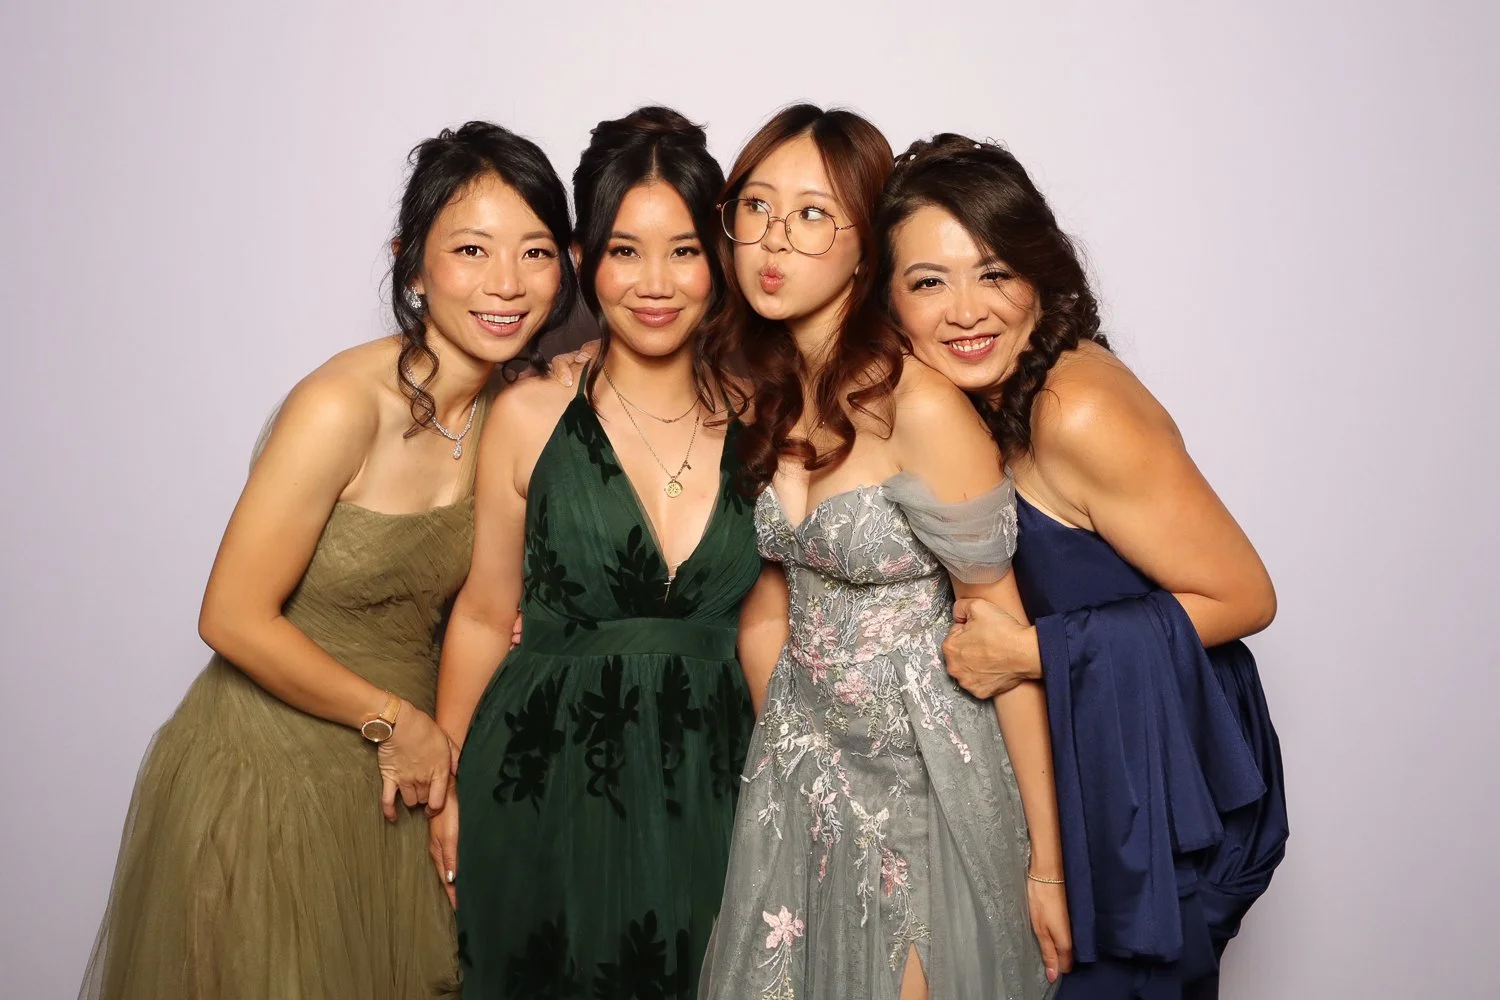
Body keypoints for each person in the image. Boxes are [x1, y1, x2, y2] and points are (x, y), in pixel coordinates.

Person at [79, 121, 576, 1000]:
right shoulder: (341, 404)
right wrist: (395, 720)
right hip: (267, 775)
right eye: (471, 249)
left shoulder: (516, 414)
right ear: (412, 265)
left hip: (394, 789)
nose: (507, 283)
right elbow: (229, 615)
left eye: (535, 252)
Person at [876, 134, 1288, 999]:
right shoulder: (971, 407)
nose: (965, 310)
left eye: (993, 272)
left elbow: (1245, 596)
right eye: (927, 282)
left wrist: (1030, 653)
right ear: (890, 304)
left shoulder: (1075, 407)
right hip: (1084, 767)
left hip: (1158, 777)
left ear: (1039, 273)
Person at [699, 105, 1065, 1000]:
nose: (774, 238)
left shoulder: (923, 406)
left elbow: (1004, 635)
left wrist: (1047, 866)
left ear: (868, 250)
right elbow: (770, 608)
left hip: (923, 780)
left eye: (814, 213)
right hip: (801, 769)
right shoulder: (768, 389)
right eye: (754, 205)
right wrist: (787, 752)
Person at [433, 107, 758, 998]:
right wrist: (452, 784)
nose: (655, 282)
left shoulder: (763, 413)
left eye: (684, 250)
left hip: (718, 774)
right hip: (544, 781)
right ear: (584, 260)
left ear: (718, 262)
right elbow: (483, 611)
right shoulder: (530, 409)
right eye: (624, 250)